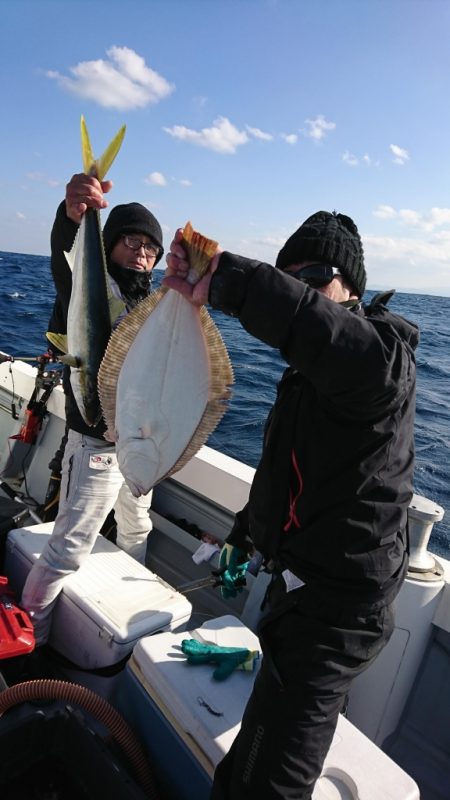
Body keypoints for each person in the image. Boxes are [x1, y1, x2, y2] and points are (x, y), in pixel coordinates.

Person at [164, 211, 418, 800]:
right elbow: (286, 474)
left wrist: (231, 281)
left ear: (351, 288)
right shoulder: (307, 377)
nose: (302, 288)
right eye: (290, 277)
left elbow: (322, 331)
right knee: (263, 746)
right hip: (303, 591)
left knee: (261, 784)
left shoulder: (381, 361)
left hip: (337, 614)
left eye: (315, 277)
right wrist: (244, 532)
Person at [21, 173, 164, 645]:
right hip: (97, 445)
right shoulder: (89, 286)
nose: (141, 252)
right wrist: (72, 217)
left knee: (137, 526)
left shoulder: (155, 304)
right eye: (131, 241)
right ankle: (30, 643)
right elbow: (66, 262)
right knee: (68, 550)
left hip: (141, 445)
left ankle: (131, 610)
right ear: (108, 245)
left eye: (151, 247)